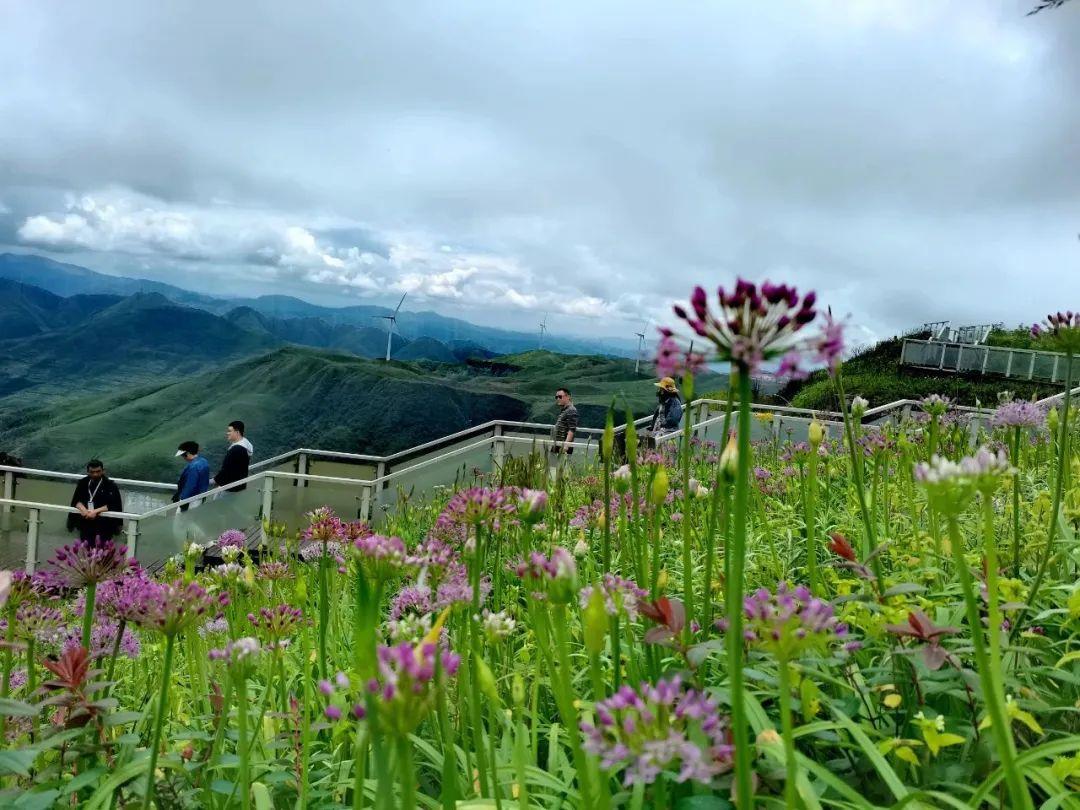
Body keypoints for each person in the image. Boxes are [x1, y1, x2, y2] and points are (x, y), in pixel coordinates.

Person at [67, 459, 123, 546]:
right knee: (86, 551)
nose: (95, 474)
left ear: (103, 471)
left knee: (103, 552)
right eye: (92, 472)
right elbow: (76, 501)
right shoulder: (83, 483)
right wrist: (84, 511)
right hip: (86, 523)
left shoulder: (110, 485)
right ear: (88, 472)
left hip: (104, 525)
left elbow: (113, 504)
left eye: (98, 471)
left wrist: (95, 512)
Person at [212, 420, 253, 493]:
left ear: (237, 432)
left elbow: (226, 469)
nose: (227, 433)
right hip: (240, 484)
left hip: (230, 487)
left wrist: (214, 481)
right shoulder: (246, 443)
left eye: (230, 431)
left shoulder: (236, 449)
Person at [644, 376, 684, 447]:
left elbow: (673, 420)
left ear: (665, 390)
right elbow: (657, 417)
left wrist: (663, 425)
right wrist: (652, 428)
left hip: (667, 435)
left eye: (661, 389)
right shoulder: (663, 402)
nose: (659, 391)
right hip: (658, 433)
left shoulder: (674, 403)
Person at [549, 387, 579, 480]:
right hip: (557, 444)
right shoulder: (565, 410)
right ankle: (554, 488)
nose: (558, 399)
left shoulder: (571, 410)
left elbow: (572, 429)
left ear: (568, 397)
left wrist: (566, 445)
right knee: (553, 471)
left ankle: (560, 489)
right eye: (556, 397)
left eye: (560, 396)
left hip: (562, 446)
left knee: (561, 472)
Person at [173, 441, 210, 510]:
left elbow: (190, 486)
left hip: (191, 501)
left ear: (188, 453)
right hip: (200, 497)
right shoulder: (204, 461)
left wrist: (182, 501)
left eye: (183, 455)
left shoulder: (193, 467)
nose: (183, 457)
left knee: (180, 520)